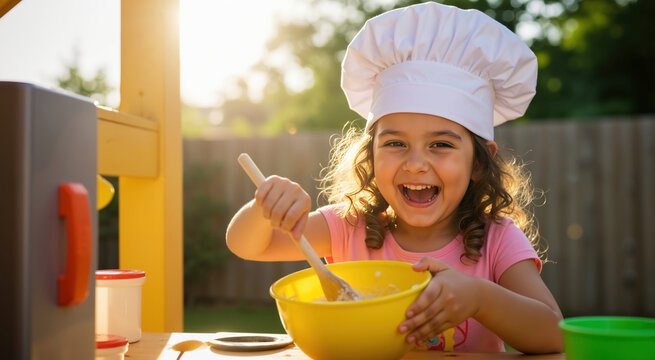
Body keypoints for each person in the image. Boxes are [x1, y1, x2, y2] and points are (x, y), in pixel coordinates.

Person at [226, 1, 563, 354]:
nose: (416, 163)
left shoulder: (497, 240)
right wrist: (265, 207)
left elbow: (555, 335)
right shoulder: (349, 227)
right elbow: (248, 244)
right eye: (396, 143)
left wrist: (481, 298)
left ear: (479, 162)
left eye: (441, 144)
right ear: (371, 154)